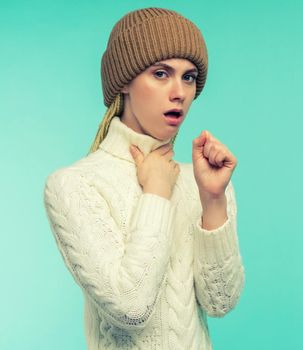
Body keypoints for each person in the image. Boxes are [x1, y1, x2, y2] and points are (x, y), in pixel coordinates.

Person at [43, 7, 245, 350]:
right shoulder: (74, 184)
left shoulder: (200, 181)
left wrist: (213, 201)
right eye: (161, 73)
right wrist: (156, 195)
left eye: (189, 77)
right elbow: (131, 308)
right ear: (124, 81)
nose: (179, 92)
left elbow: (221, 303)